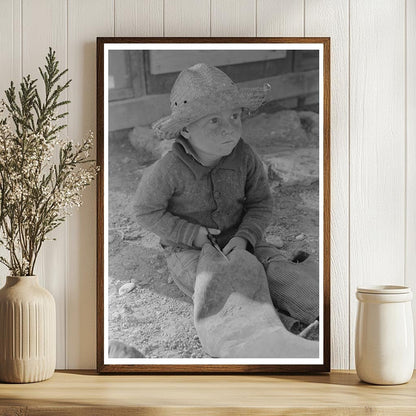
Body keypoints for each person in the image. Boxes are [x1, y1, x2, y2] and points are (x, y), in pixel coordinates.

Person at [133, 63, 319, 332]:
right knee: (216, 288)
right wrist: (190, 234)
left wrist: (245, 237)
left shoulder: (245, 157)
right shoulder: (168, 169)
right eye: (214, 120)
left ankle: (317, 311)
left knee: (277, 271)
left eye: (234, 116)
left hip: (241, 238)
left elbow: (261, 202)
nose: (229, 129)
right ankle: (279, 328)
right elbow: (145, 211)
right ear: (186, 129)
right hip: (190, 250)